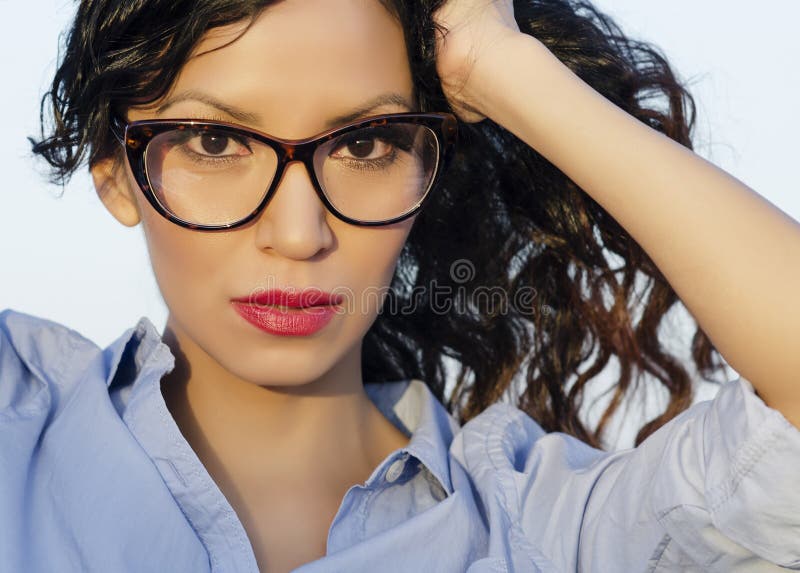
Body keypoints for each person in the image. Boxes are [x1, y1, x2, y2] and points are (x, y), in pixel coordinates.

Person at [2, 0, 798, 571]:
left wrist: (504, 67)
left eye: (368, 143)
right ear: (113, 171)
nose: (299, 232)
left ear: (430, 166)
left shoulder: (545, 531)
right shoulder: (18, 419)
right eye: (215, 140)